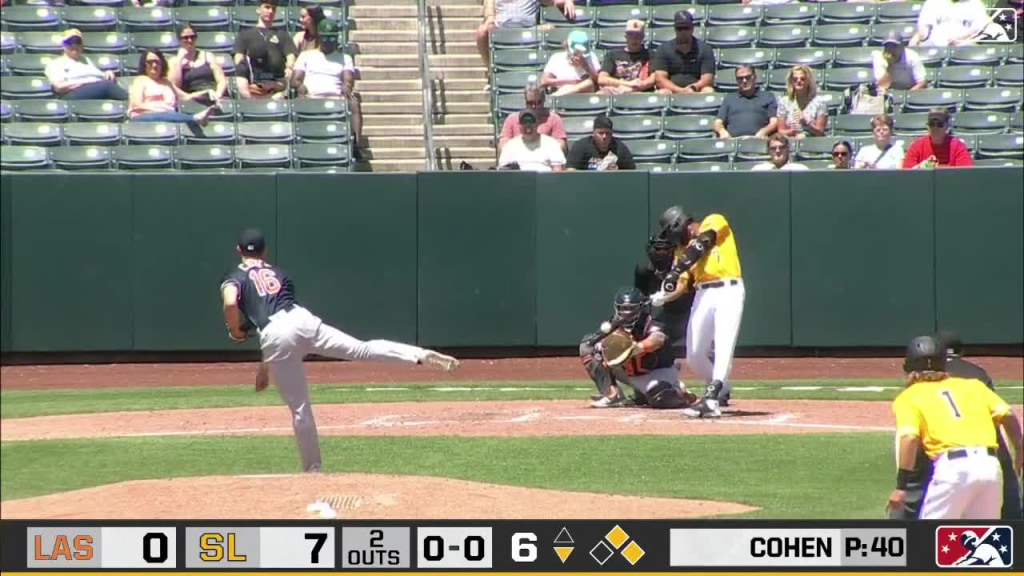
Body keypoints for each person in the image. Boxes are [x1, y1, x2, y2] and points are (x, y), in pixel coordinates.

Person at [220, 228, 460, 472]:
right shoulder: (279, 273)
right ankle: (418, 354)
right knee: (361, 349)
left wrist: (235, 331)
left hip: (276, 335)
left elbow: (232, 303)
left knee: (301, 409)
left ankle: (313, 470)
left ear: (238, 250)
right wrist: (265, 366)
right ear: (265, 251)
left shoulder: (234, 277)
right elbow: (279, 317)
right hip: (302, 320)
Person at [889, 331, 1024, 520]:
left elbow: (910, 438)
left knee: (928, 540)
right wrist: (1019, 449)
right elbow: (1007, 414)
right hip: (990, 468)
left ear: (908, 367)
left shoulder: (909, 396)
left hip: (952, 471)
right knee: (986, 543)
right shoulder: (974, 386)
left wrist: (901, 487)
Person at [655, 206, 746, 419]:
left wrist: (676, 270)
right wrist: (662, 296)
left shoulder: (714, 220)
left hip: (728, 289)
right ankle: (721, 387)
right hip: (702, 294)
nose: (672, 239)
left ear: (678, 224)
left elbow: (703, 242)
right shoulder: (681, 252)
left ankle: (712, 398)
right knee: (694, 355)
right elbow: (682, 284)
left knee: (723, 345)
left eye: (671, 232)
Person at [582, 287, 697, 409]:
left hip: (656, 372)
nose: (627, 313)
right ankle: (612, 396)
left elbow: (658, 338)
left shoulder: (650, 323)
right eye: (623, 309)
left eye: (631, 309)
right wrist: (604, 348)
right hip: (629, 373)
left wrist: (638, 347)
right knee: (587, 347)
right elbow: (596, 346)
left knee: (661, 398)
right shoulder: (613, 326)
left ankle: (678, 391)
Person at [128, 49, 218, 126]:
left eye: (157, 62)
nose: (154, 65)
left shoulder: (167, 82)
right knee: (166, 114)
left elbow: (185, 96)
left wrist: (206, 92)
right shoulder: (140, 81)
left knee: (169, 114)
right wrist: (159, 109)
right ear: (144, 65)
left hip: (168, 116)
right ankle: (194, 119)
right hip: (144, 117)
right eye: (150, 62)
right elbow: (137, 105)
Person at [44, 28, 128, 100]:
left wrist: (106, 73)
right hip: (71, 95)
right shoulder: (56, 63)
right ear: (64, 45)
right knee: (106, 86)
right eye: (70, 42)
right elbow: (59, 87)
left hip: (93, 90)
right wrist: (88, 82)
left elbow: (96, 77)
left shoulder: (86, 60)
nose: (74, 45)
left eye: (78, 42)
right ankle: (134, 102)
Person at [652, 10, 715, 95]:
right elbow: (660, 78)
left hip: (696, 89)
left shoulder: (704, 49)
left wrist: (693, 88)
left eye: (686, 28)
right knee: (662, 93)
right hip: (671, 90)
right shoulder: (664, 49)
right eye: (679, 28)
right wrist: (679, 90)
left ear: (692, 28)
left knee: (708, 91)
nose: (683, 32)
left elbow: (708, 78)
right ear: (675, 29)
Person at [169, 24, 229, 107]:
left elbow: (221, 80)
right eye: (185, 38)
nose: (190, 40)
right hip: (192, 100)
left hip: (213, 95)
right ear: (179, 40)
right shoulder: (173, 61)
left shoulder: (208, 56)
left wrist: (218, 94)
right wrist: (179, 60)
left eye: (192, 37)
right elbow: (175, 86)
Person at [713, 65, 778, 140]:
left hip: (759, 141)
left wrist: (764, 131)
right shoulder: (729, 98)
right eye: (740, 78)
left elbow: (774, 122)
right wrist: (722, 131)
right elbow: (718, 122)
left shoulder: (768, 96)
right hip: (732, 142)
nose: (744, 81)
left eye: (748, 77)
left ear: (754, 77)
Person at [902, 108, 974, 168]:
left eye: (940, 124)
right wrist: (921, 168)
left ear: (947, 126)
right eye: (932, 124)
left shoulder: (958, 146)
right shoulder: (917, 146)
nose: (935, 128)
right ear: (927, 126)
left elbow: (965, 173)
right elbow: (907, 175)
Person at [565, 114, 636, 170]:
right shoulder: (581, 146)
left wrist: (618, 173)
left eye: (607, 133)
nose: (604, 136)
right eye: (601, 133)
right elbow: (570, 171)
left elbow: (632, 173)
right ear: (593, 133)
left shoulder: (619, 148)